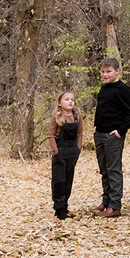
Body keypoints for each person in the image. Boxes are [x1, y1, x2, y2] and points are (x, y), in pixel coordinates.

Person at [93, 58, 130, 218]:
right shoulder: (104, 88)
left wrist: (120, 131)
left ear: (117, 71)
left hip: (113, 136)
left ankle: (115, 205)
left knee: (113, 169)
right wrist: (96, 126)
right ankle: (106, 200)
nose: (105, 75)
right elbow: (102, 109)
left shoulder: (123, 89)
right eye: (103, 72)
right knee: (104, 169)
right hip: (100, 134)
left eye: (108, 71)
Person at [48, 90, 83, 220]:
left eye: (72, 99)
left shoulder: (77, 117)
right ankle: (59, 208)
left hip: (72, 151)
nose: (70, 102)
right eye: (67, 99)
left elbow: (80, 134)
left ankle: (65, 205)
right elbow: (50, 135)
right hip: (60, 152)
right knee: (59, 180)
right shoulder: (57, 117)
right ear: (59, 103)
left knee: (68, 179)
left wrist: (78, 148)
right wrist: (55, 151)